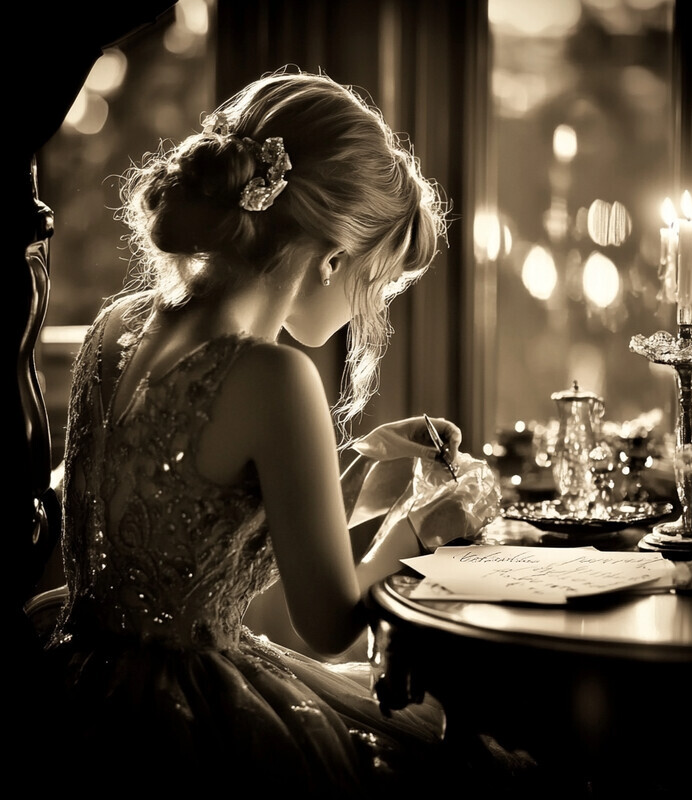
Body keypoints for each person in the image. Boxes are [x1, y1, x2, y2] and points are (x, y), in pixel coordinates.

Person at [41, 68, 481, 794]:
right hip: (186, 731)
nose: (367, 310)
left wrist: (358, 487)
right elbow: (331, 624)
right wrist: (417, 527)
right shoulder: (274, 377)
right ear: (334, 260)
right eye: (375, 286)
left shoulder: (117, 325)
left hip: (75, 680)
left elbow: (188, 529)